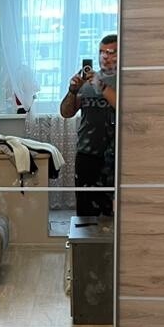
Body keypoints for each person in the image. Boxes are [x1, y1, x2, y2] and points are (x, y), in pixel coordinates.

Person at [60, 34, 117, 217]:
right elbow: (66, 112)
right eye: (102, 52)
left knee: (111, 213)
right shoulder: (88, 81)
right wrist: (73, 90)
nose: (105, 57)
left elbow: (125, 107)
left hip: (115, 157)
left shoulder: (126, 79)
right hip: (86, 154)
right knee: (85, 211)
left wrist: (101, 86)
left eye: (111, 52)